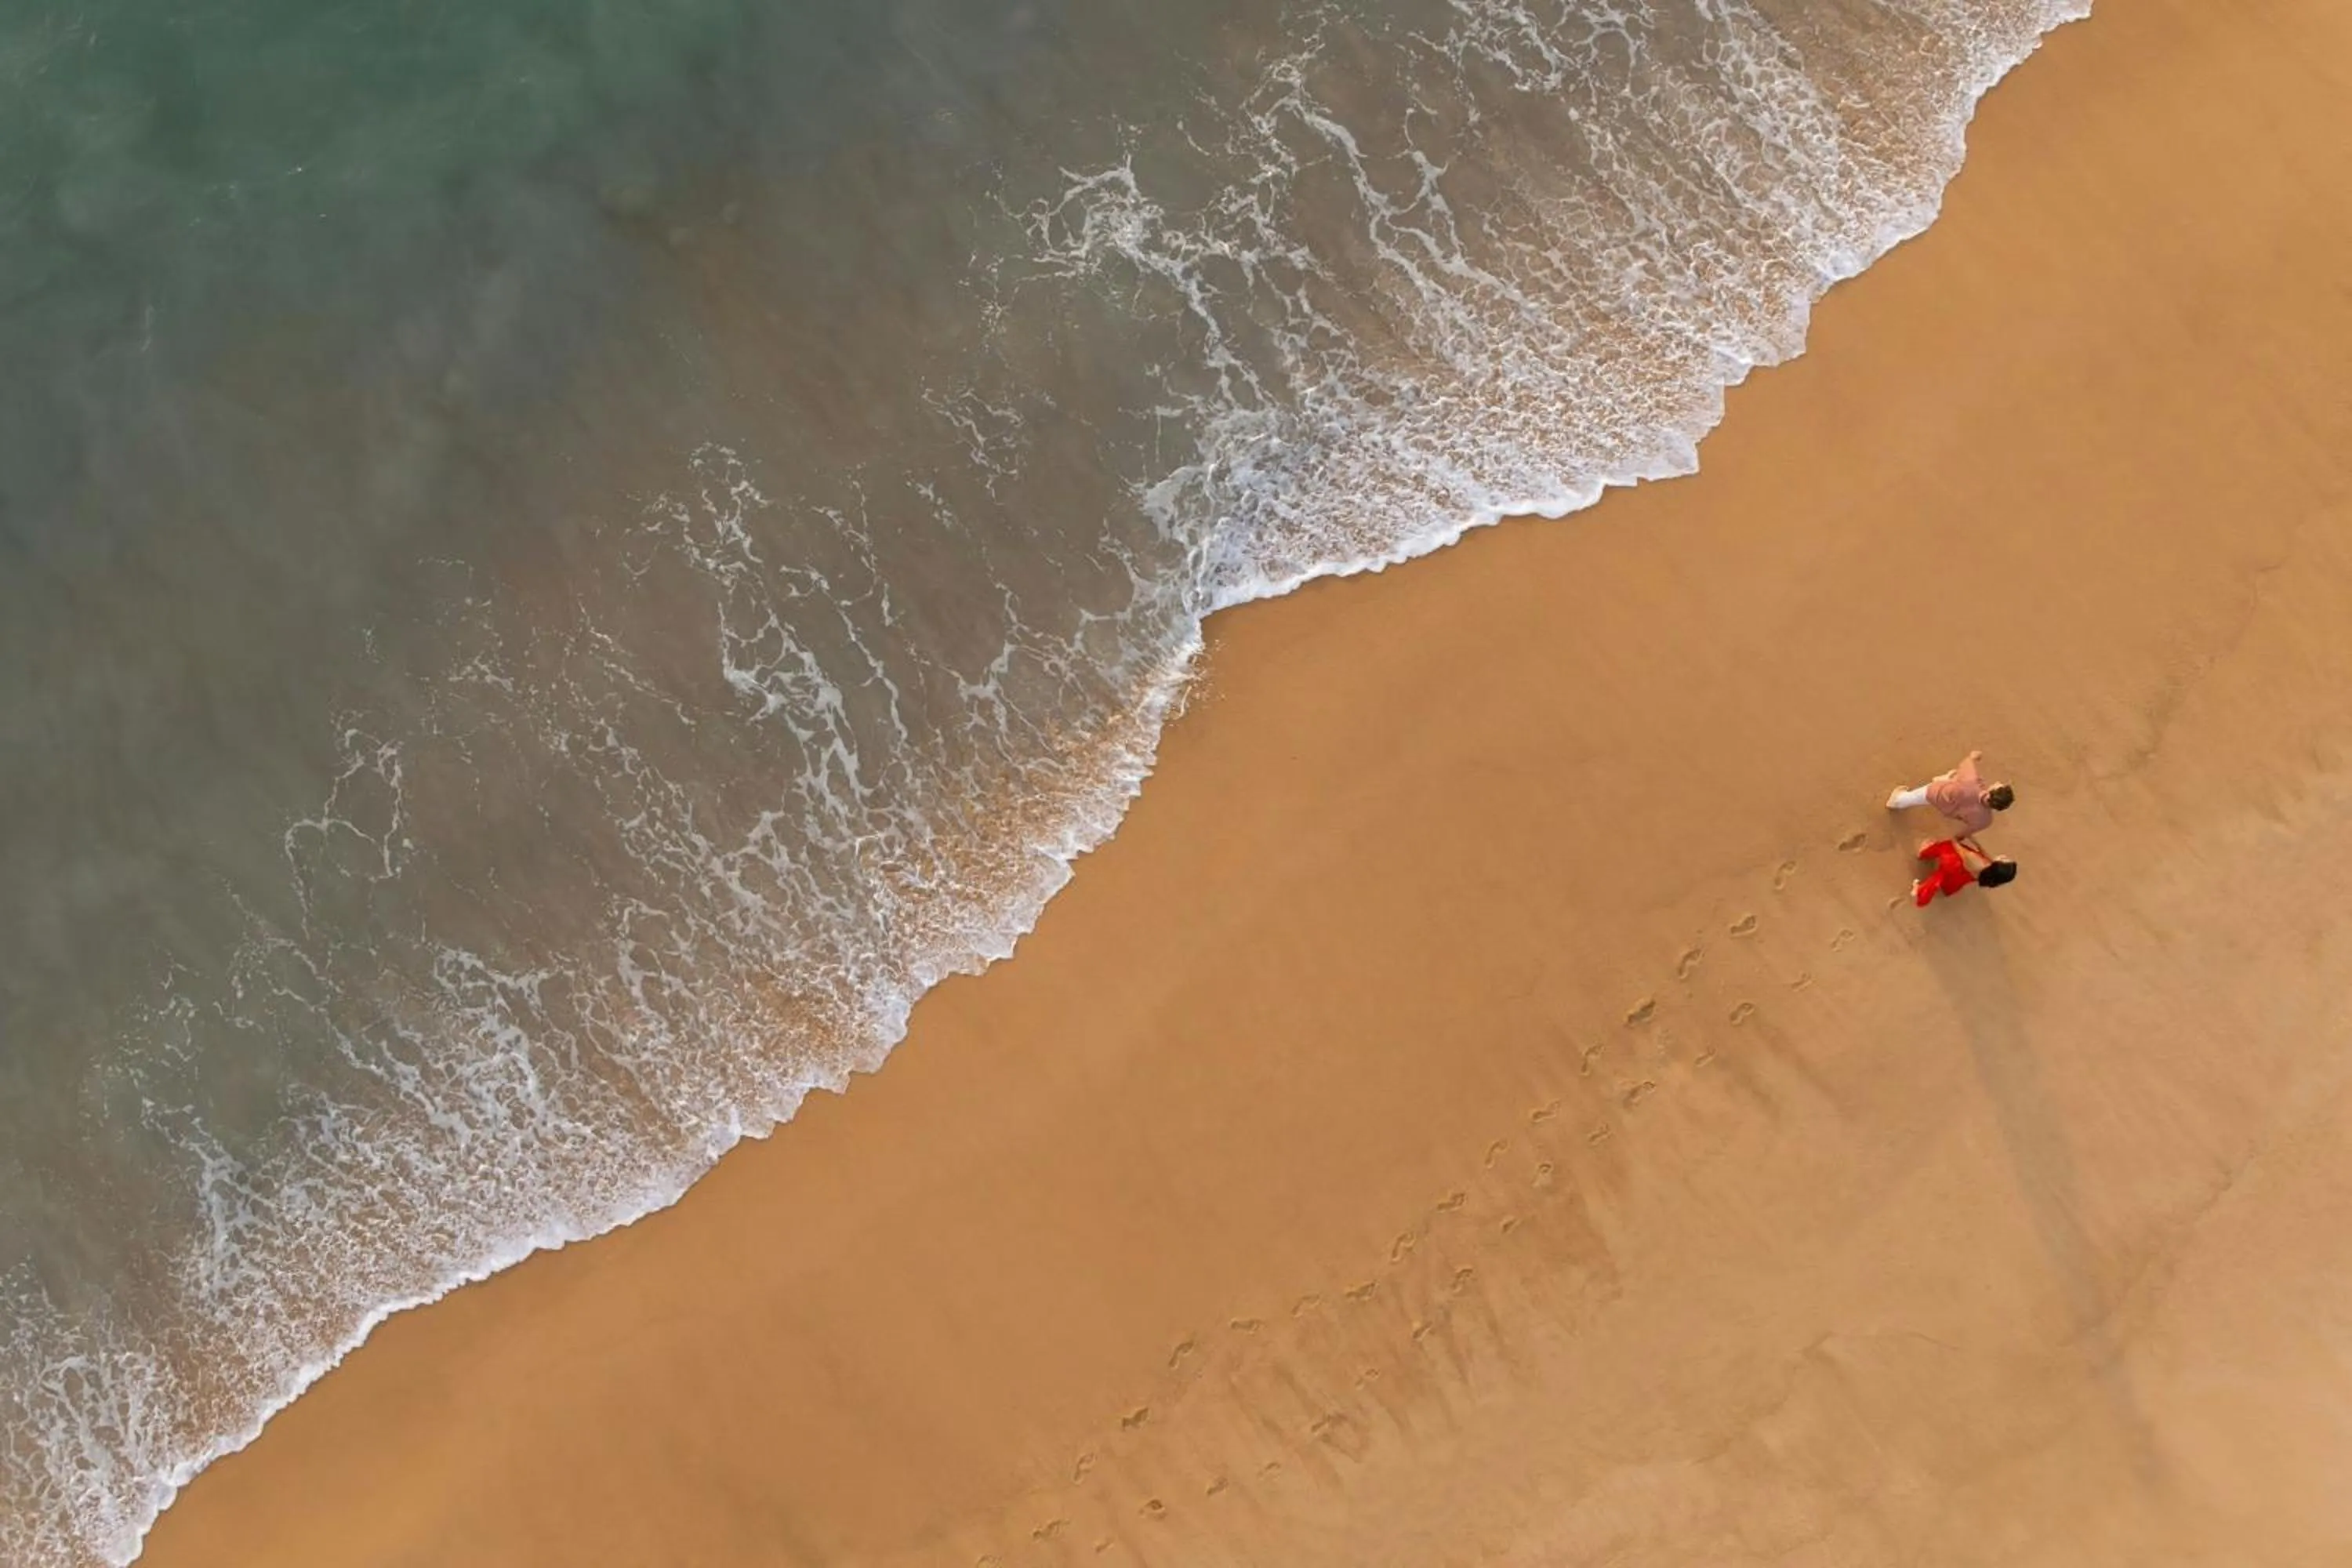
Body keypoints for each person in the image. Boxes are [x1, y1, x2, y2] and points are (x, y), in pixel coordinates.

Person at [1887, 749, 2013, 834]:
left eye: (1998, 786)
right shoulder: (1985, 820)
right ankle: (1943, 779)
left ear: (1993, 791)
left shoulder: (1971, 781)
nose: (1998, 783)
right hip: (1948, 809)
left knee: (1916, 797)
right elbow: (1967, 830)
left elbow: (1966, 763)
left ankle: (1897, 801)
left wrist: (1973, 757)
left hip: (1938, 793)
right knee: (1952, 778)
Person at [1912, 837, 2017, 906]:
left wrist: (1954, 839)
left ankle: (1924, 853)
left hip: (1955, 865)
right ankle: (1941, 885)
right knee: (1951, 879)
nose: (2004, 856)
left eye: (2005, 860)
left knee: (1946, 845)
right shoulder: (1990, 874)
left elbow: (1960, 850)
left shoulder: (1978, 862)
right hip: (1966, 875)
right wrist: (1975, 842)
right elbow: (1985, 856)